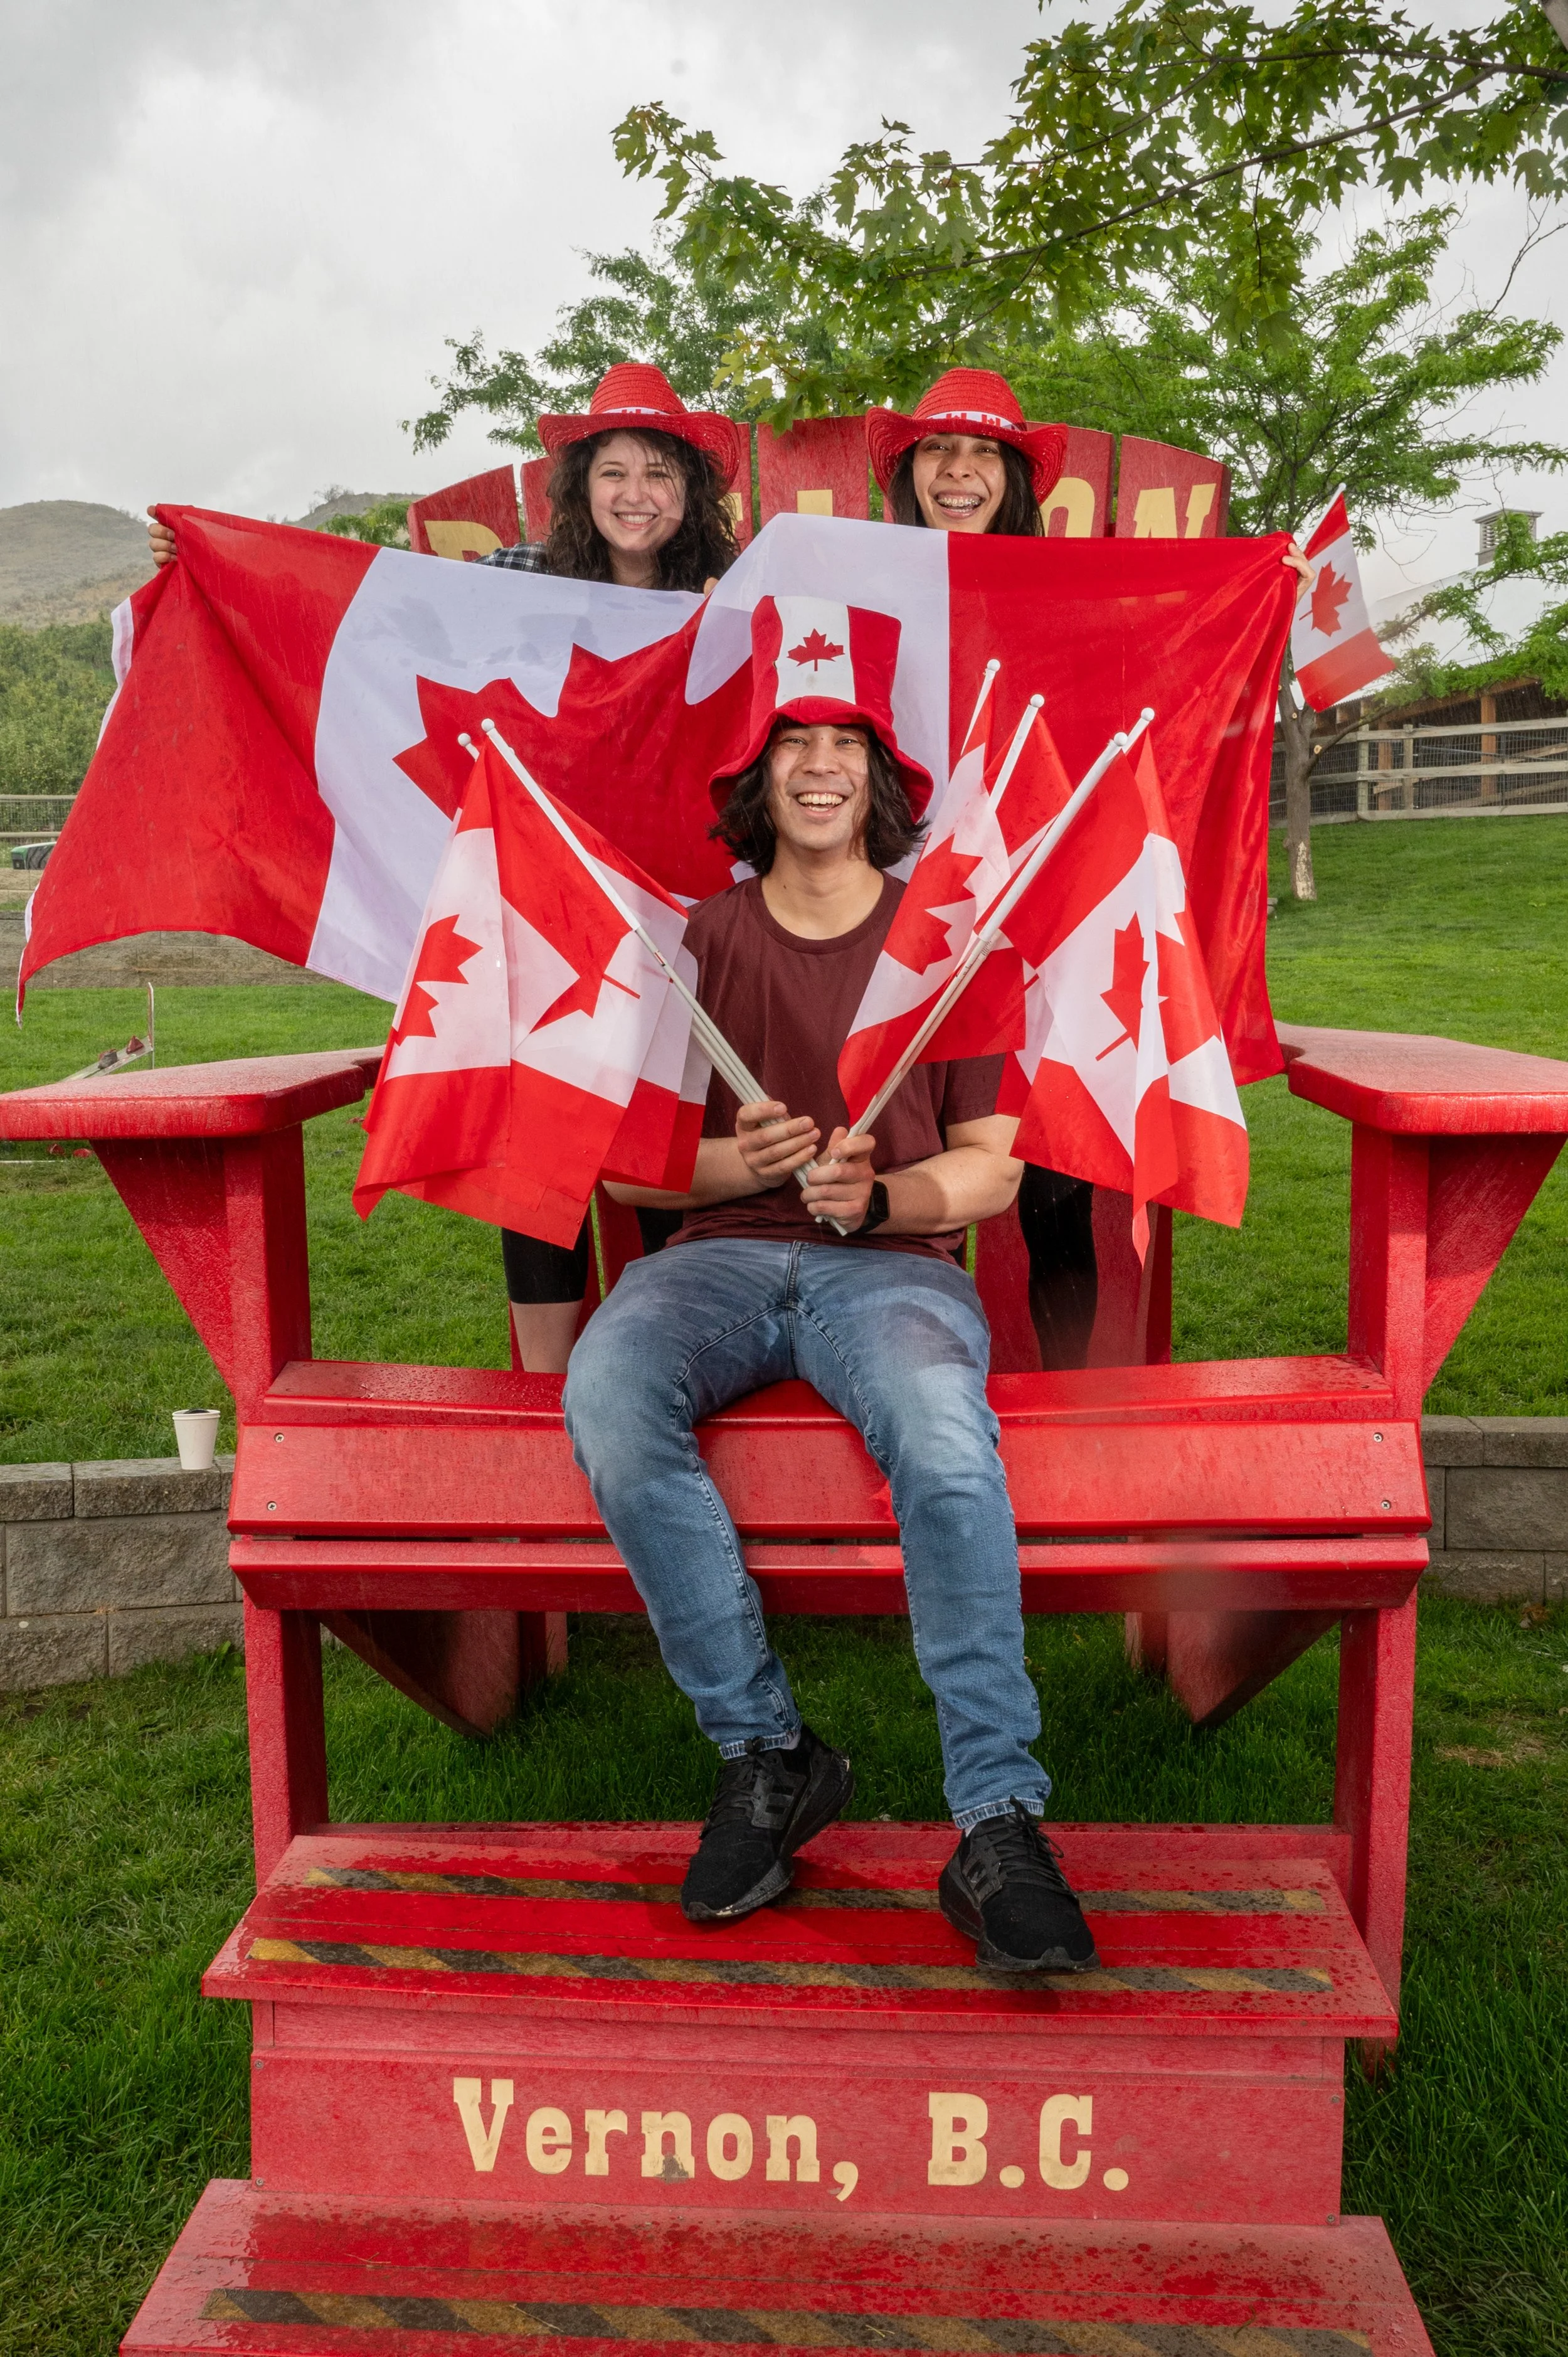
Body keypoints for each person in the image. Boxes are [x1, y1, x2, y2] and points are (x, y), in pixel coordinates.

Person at [563, 596, 1100, 1974]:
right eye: (790, 742)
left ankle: (993, 1819)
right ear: (757, 781)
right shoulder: (695, 945)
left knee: (942, 1438)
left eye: (842, 743)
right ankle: (766, 1754)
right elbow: (626, 1175)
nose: (816, 765)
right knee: (611, 1391)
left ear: (880, 779)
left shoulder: (951, 944)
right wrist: (719, 1160)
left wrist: (886, 1197)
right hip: (720, 1256)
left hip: (894, 1271)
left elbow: (988, 1169)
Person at [144, 363, 747, 1373]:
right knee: (541, 1147)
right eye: (611, 471)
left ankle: (661, 1372)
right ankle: (547, 1397)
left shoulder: (729, 599)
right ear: (579, 486)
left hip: (676, 918)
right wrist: (207, 559)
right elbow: (364, 614)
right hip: (542, 912)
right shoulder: (509, 580)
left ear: (690, 492)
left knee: (663, 1150)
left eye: (658, 472)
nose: (634, 493)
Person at [867, 367, 1310, 1370]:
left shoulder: (1068, 590)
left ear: (1017, 480)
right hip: (899, 917)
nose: (961, 471)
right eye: (940, 450)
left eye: (985, 454)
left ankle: (1065, 1415)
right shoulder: (857, 578)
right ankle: (903, 1399)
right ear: (909, 471)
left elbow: (1159, 653)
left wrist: (1262, 582)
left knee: (1054, 1190)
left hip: (1043, 924)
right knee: (897, 1177)